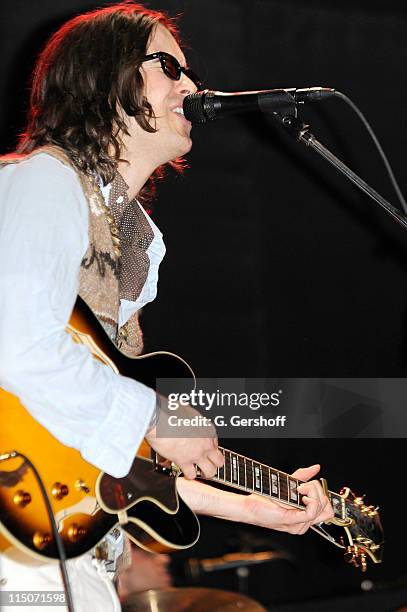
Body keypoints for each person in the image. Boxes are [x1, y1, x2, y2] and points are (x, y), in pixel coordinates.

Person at [0, 2, 333, 610]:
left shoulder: (133, 244)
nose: (192, 86)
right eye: (168, 68)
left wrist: (260, 505)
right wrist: (156, 417)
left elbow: (118, 453)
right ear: (104, 79)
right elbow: (16, 343)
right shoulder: (44, 182)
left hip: (72, 548)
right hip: (17, 551)